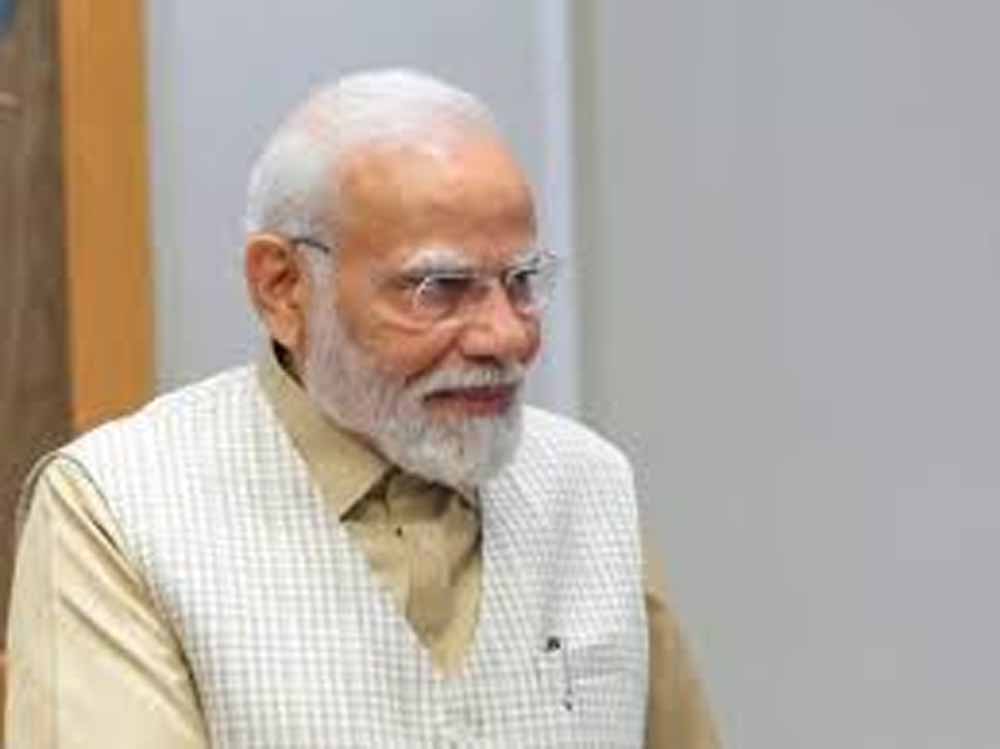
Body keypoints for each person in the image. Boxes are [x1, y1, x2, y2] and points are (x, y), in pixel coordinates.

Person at [5, 69, 719, 748]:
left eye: (522, 281)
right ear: (283, 287)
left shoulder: (591, 486)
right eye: (440, 288)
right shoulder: (117, 508)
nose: (508, 336)